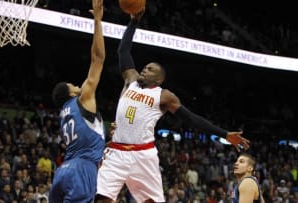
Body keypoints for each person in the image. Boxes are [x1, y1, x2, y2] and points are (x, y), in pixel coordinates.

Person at [95, 9, 250, 203]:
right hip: (116, 151)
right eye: (145, 66)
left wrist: (224, 134)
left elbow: (191, 118)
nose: (144, 69)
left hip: (143, 154)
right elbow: (123, 50)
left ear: (159, 79)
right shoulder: (130, 80)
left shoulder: (164, 96)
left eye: (150, 69)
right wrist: (134, 21)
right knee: (101, 199)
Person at [49, 0, 106, 202]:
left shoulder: (65, 113)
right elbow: (98, 58)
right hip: (82, 169)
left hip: (63, 171)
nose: (77, 85)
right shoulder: (84, 98)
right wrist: (98, 21)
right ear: (72, 94)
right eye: (74, 85)